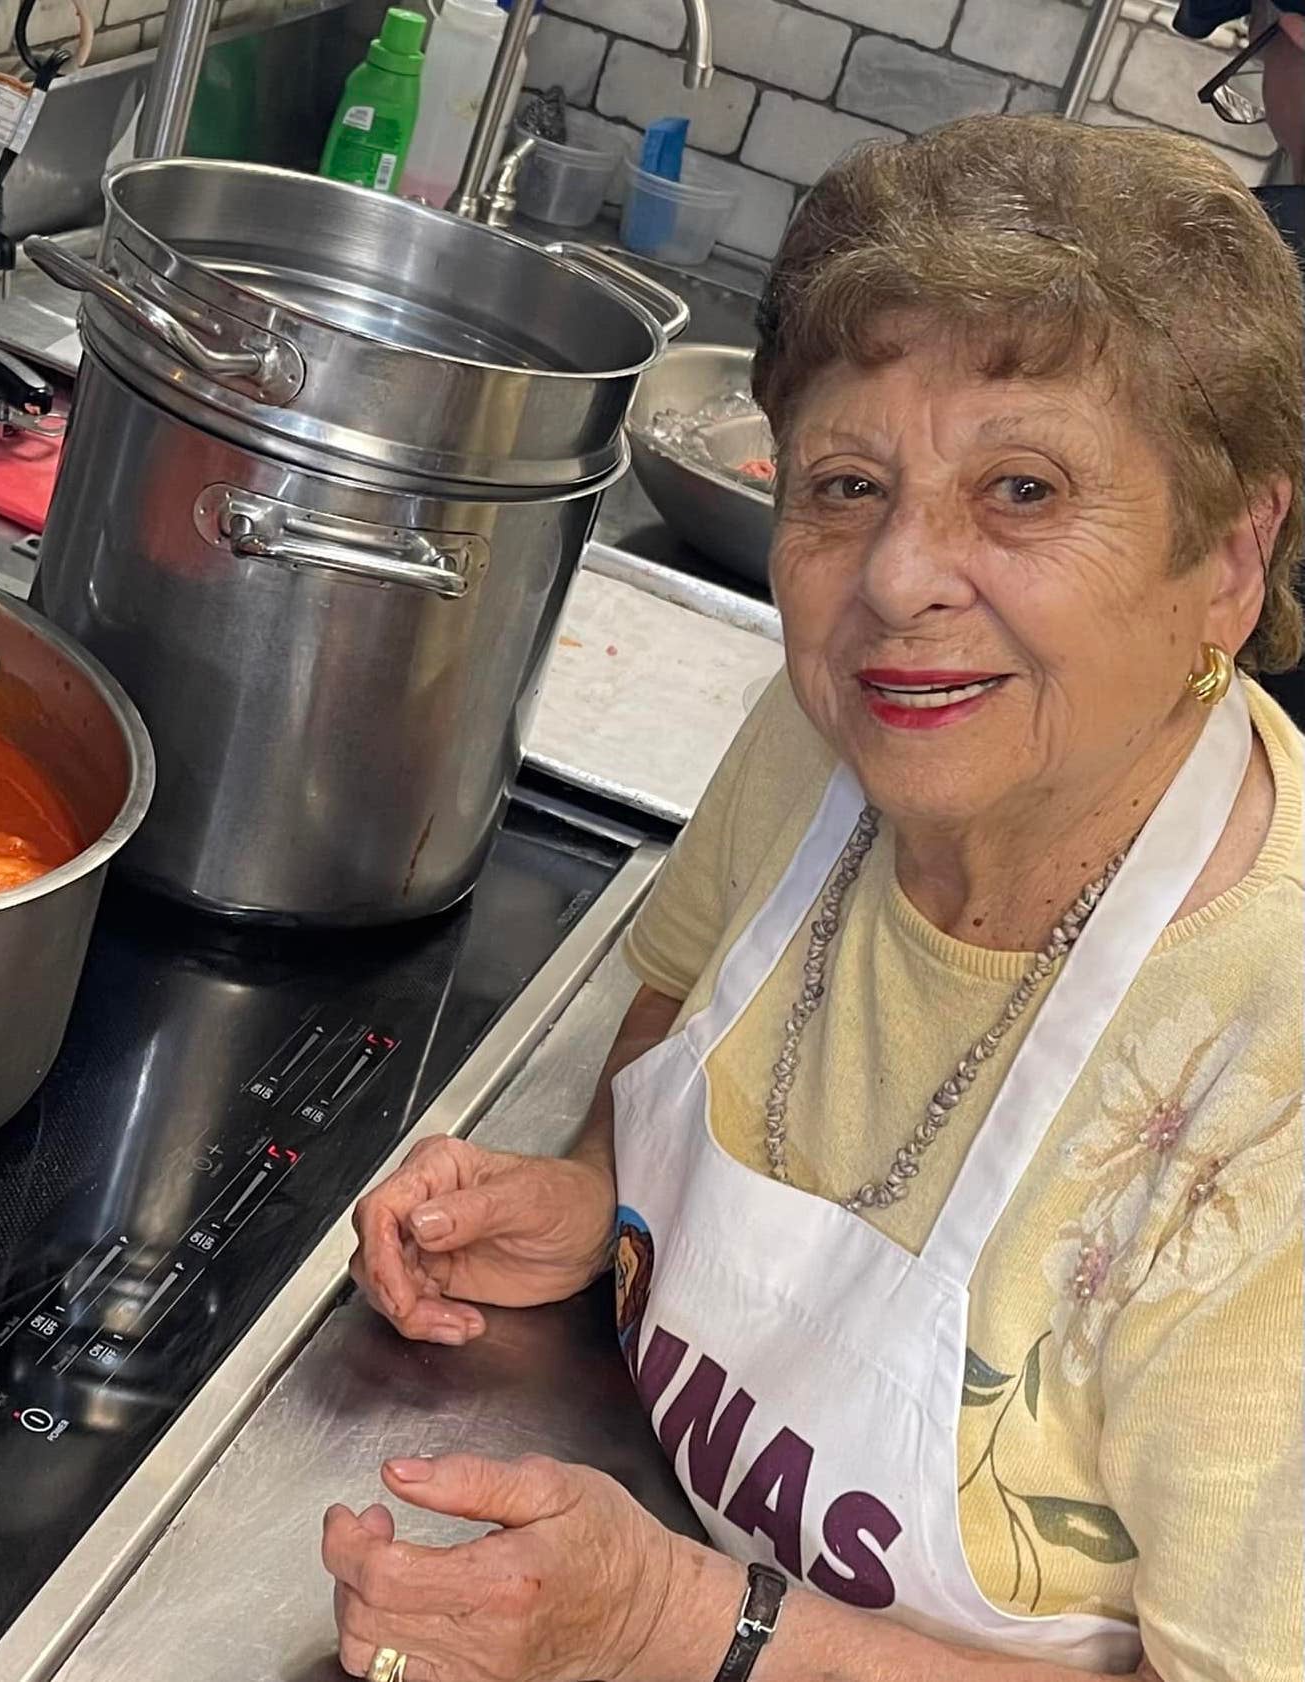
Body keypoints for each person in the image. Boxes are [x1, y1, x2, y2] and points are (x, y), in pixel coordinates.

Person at [324, 115, 1303, 1682]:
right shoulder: (834, 732)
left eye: (1025, 489)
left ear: (1231, 557)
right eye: (847, 483)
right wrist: (598, 1200)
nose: (901, 577)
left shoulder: (1272, 1085)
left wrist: (680, 1626)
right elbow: (685, 1004)